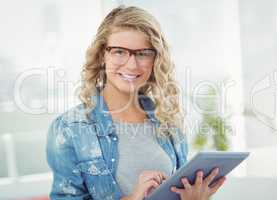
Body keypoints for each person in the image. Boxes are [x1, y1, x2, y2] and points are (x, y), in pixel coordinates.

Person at [46, 5, 225, 200]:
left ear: (155, 59)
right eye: (119, 52)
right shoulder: (69, 128)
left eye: (143, 53)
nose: (131, 64)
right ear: (102, 55)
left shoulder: (168, 121)